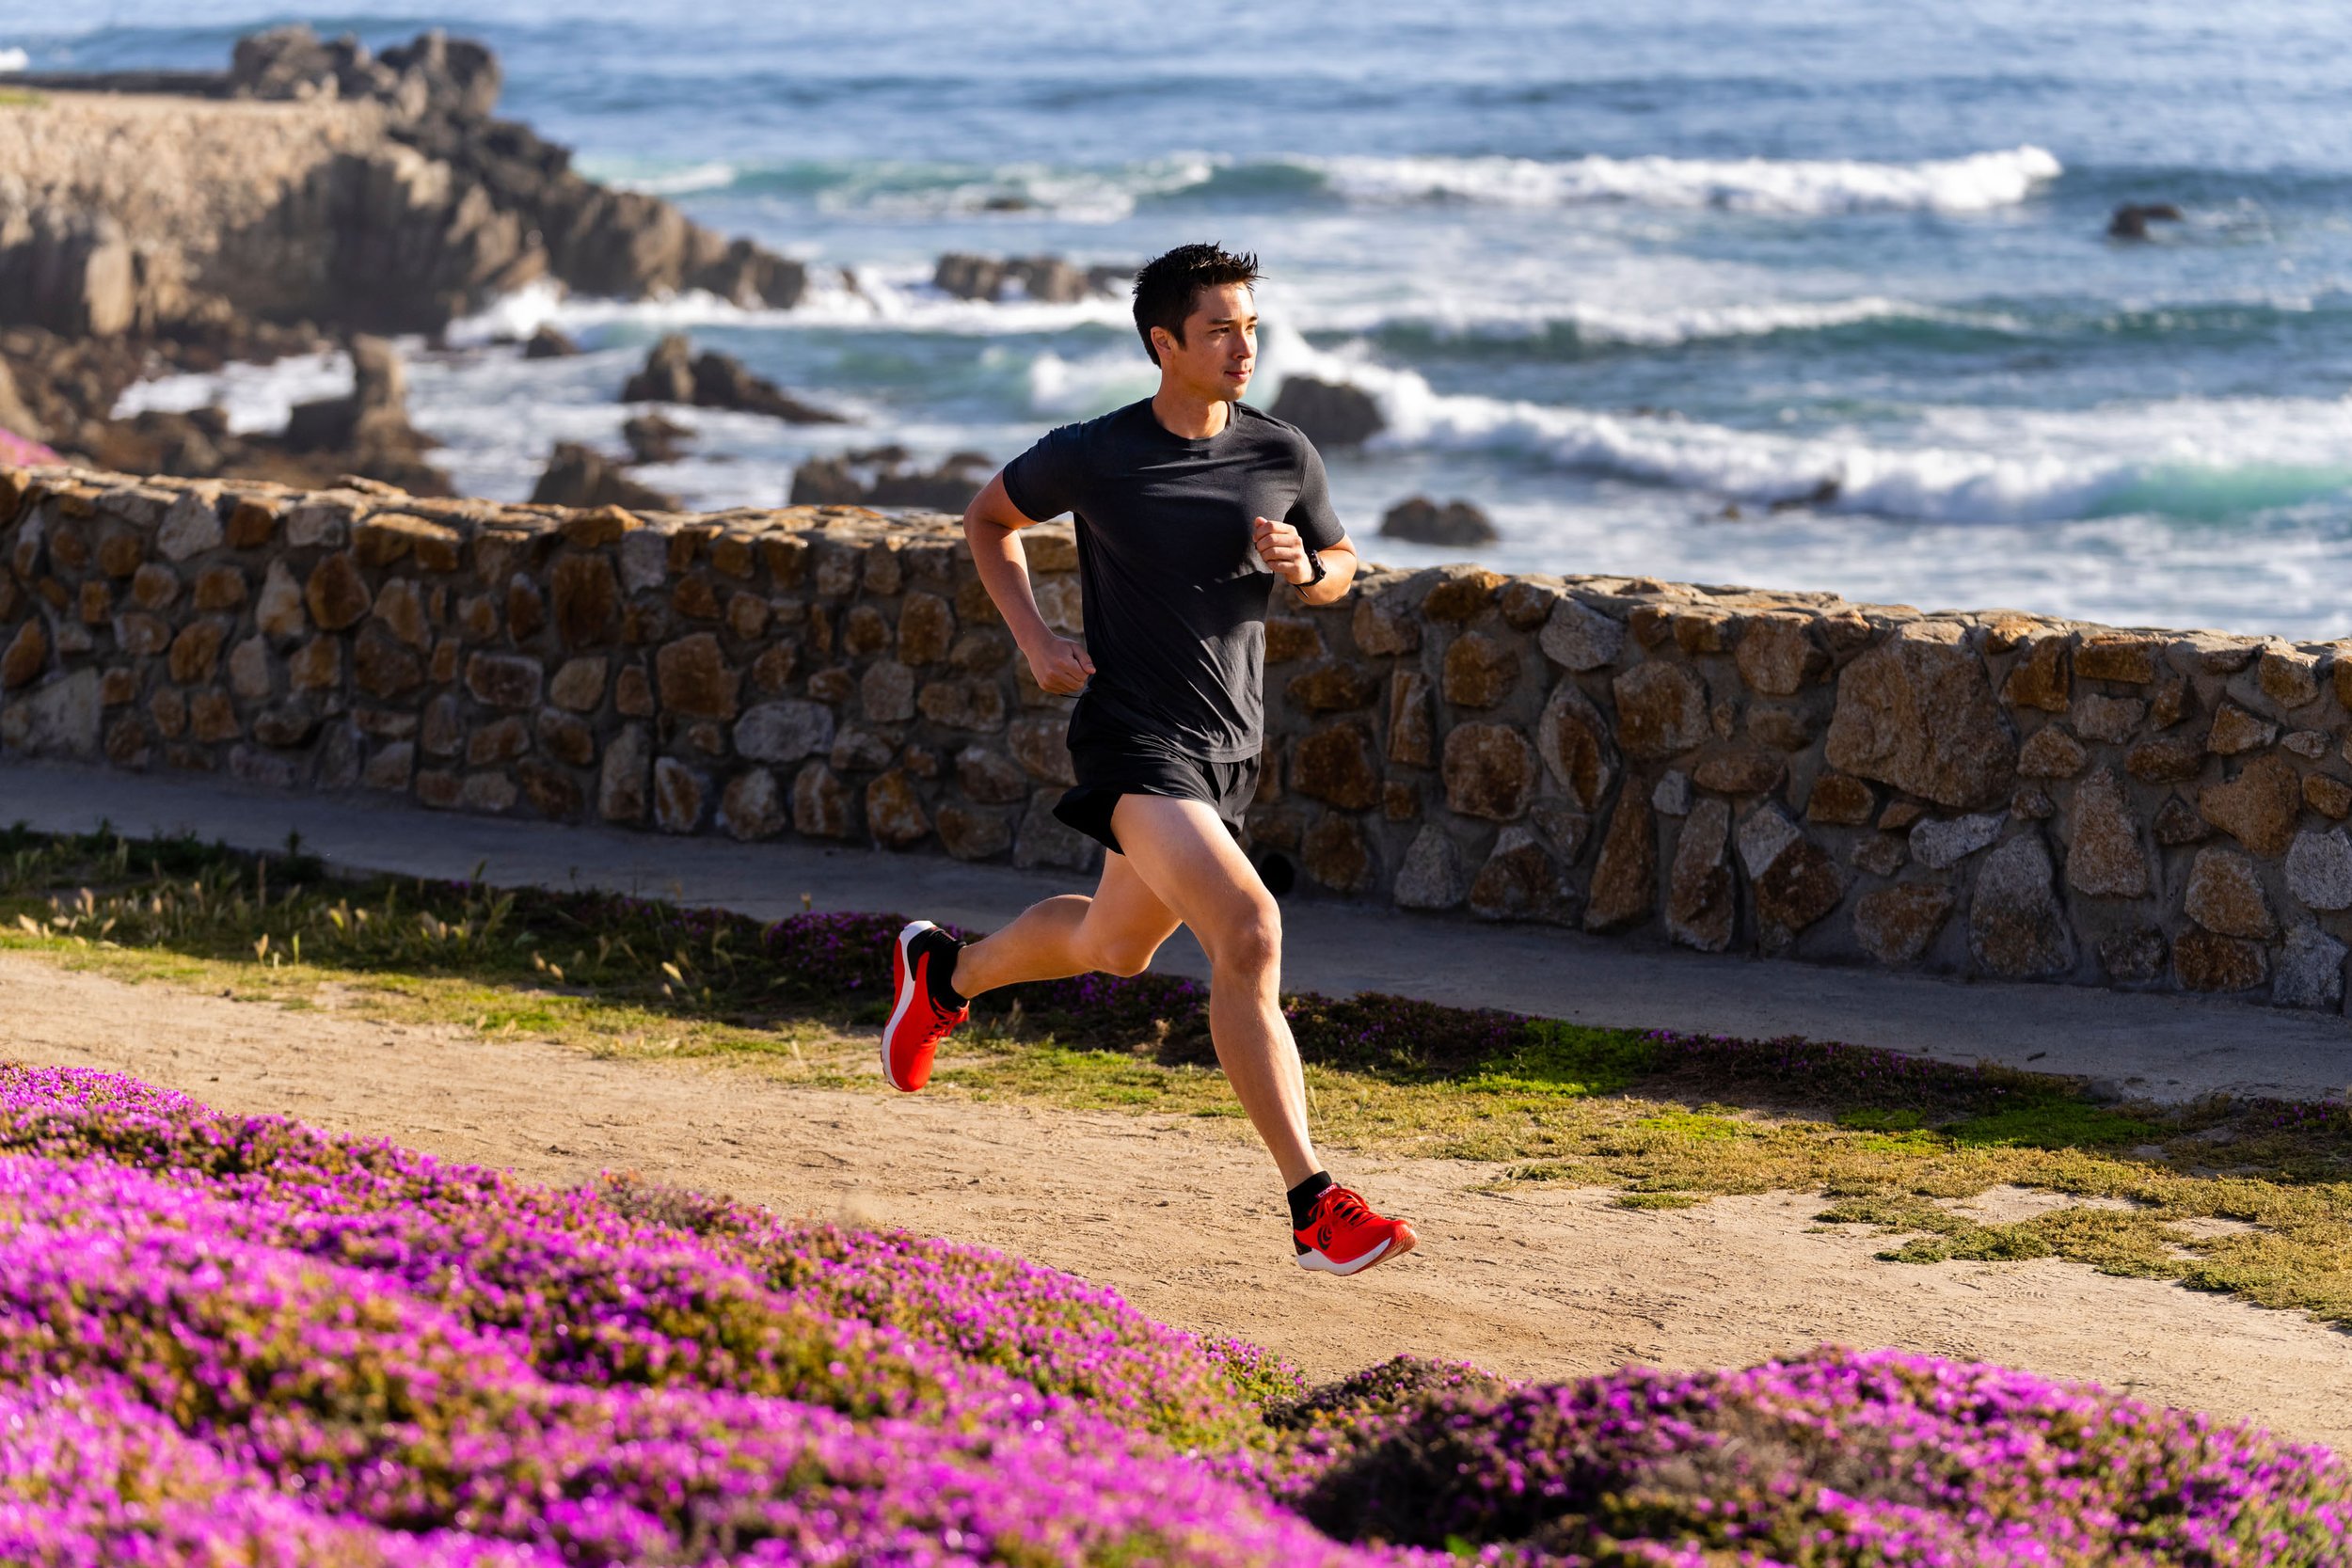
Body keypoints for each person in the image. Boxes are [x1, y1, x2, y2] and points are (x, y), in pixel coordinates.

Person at [879, 243, 1417, 1277]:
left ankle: (945, 972)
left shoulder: (1282, 450)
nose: (1243, 345)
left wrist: (1313, 569)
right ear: (1164, 343)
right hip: (1132, 738)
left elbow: (1342, 560)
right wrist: (1035, 638)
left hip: (1229, 747)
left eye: (1252, 325)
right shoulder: (1097, 452)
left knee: (1113, 945)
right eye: (1219, 329)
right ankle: (1315, 1204)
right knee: (1248, 928)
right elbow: (988, 517)